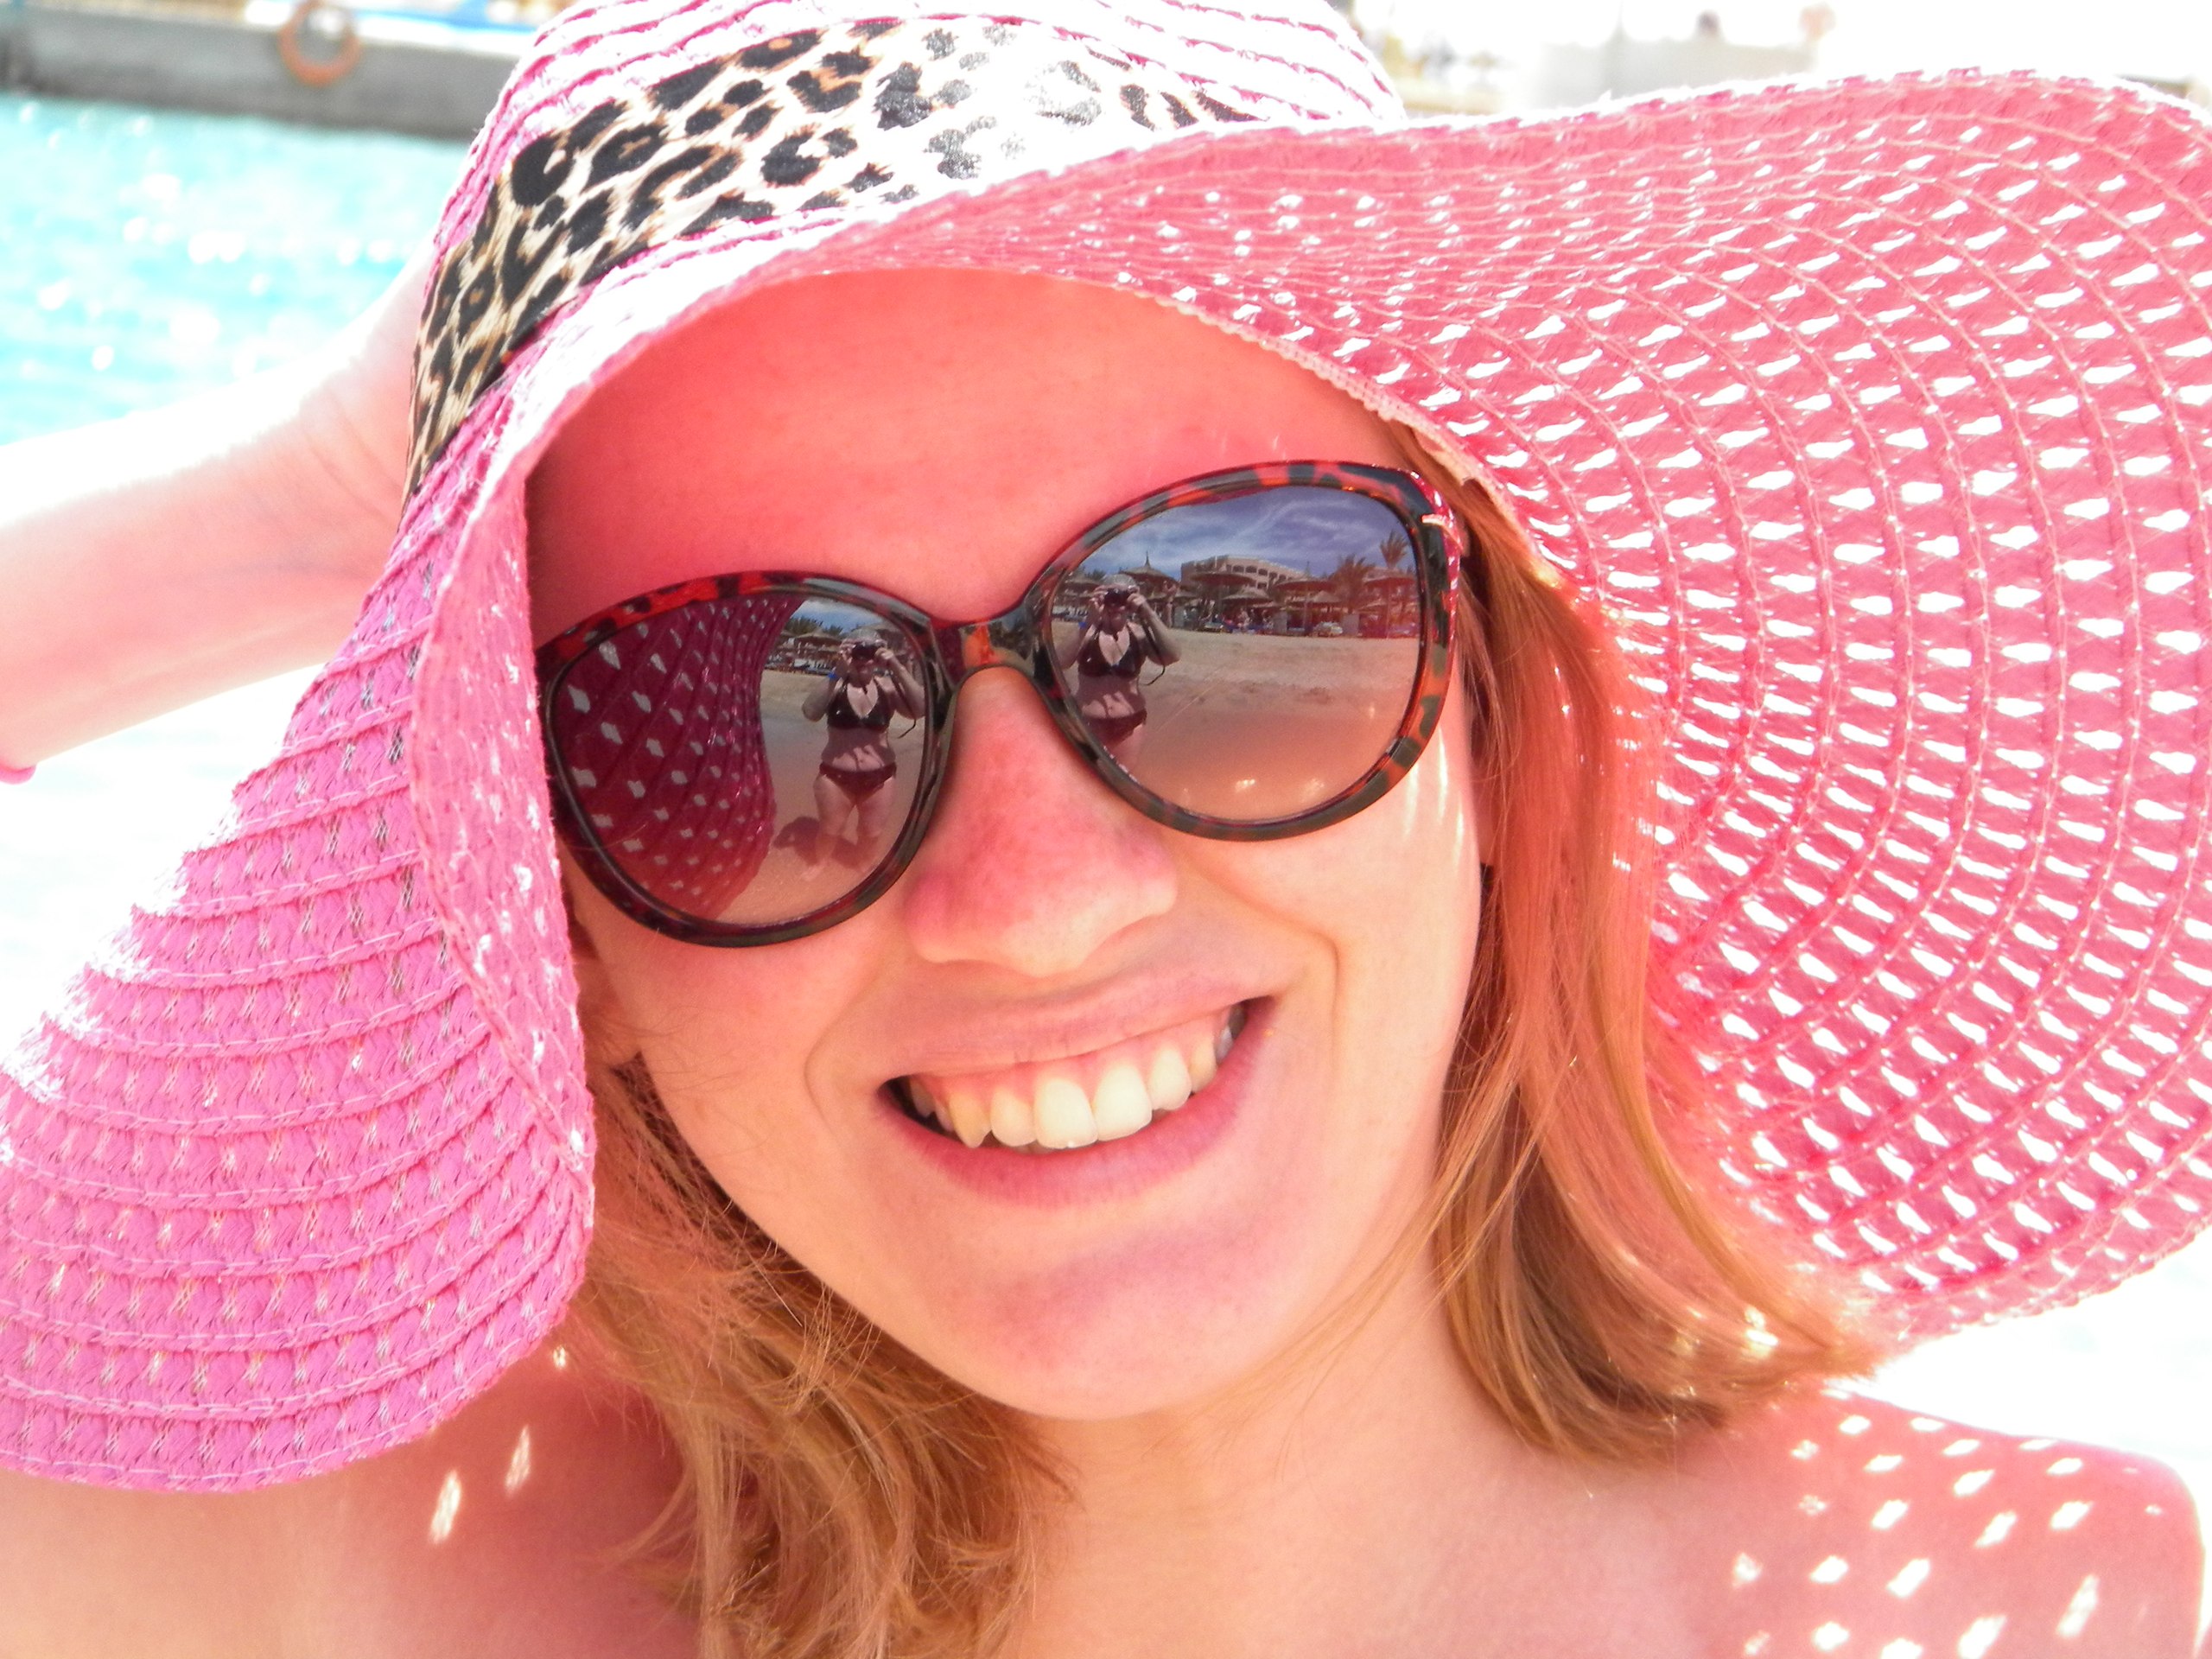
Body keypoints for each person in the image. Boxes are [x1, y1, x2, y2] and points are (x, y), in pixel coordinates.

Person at [0, 4, 2207, 1656]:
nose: (1033, 902)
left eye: (1234, 624)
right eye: (746, 716)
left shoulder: (2073, 1617)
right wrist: (297, 507)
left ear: (1498, 730)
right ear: (569, 931)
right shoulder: (323, 1584)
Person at [801, 628, 925, 868]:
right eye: (858, 649)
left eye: (871, 650)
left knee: (872, 834)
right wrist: (837, 671)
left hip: (880, 777)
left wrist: (897, 666)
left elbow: (919, 710)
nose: (864, 657)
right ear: (847, 650)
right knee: (829, 831)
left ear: (880, 652)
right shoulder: (835, 685)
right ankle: (820, 864)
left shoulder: (888, 688)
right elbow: (810, 712)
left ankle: (862, 867)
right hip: (835, 778)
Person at [1062, 574, 1179, 763]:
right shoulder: (1087, 632)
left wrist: (1148, 612)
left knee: (1124, 773)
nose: (1116, 602)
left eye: (1123, 596)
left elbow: (1172, 656)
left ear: (1133, 596)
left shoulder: (1139, 634)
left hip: (1129, 724)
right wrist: (1088, 620)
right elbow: (1061, 662)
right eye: (1111, 594)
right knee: (1081, 775)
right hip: (1086, 723)